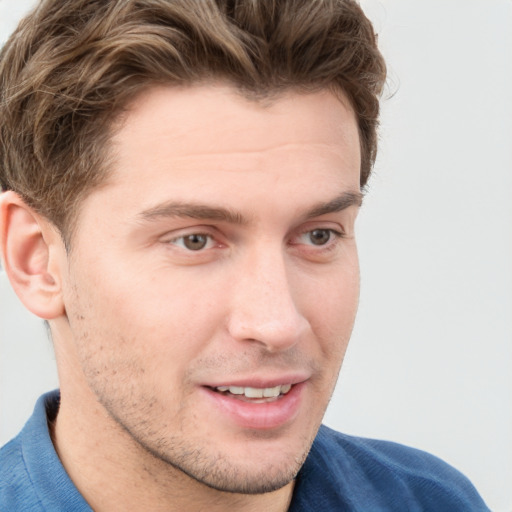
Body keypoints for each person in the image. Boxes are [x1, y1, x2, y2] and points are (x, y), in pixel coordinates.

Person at [0, 0, 490, 510]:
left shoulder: (430, 501)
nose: (277, 323)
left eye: (319, 235)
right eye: (194, 240)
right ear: (36, 259)